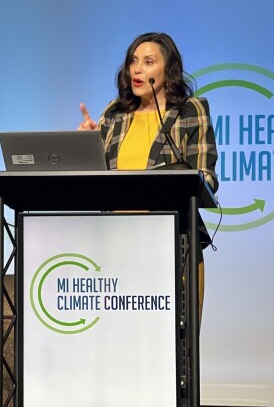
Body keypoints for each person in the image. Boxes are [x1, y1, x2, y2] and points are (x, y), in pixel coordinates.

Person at [78, 31, 219, 319]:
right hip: (115, 244)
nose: (137, 69)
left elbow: (206, 176)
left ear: (168, 71)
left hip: (175, 243)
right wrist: (88, 146)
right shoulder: (115, 113)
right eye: (133, 61)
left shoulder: (190, 110)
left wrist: (174, 179)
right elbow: (97, 182)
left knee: (178, 346)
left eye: (149, 61)